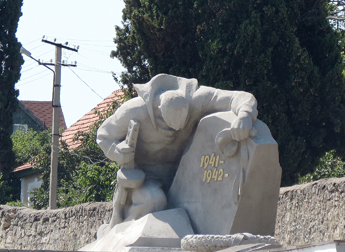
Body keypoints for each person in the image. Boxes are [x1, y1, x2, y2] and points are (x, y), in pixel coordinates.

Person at [97, 74, 258, 224]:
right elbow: (103, 135)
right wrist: (117, 152)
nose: (173, 131)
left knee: (213, 198)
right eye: (166, 123)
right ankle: (124, 231)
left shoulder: (198, 100)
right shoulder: (134, 110)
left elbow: (241, 97)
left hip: (184, 177)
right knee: (154, 200)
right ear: (158, 108)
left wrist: (245, 115)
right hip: (144, 179)